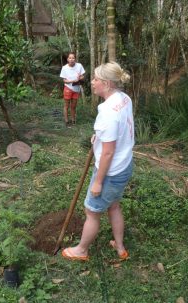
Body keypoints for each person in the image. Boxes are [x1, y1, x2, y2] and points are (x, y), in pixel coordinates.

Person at [62, 62, 134, 261]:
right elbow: (119, 131)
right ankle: (119, 247)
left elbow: (108, 153)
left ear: (107, 84)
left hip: (110, 172)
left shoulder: (108, 112)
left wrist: (98, 182)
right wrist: (100, 138)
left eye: (96, 79)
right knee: (114, 205)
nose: (92, 82)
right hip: (124, 166)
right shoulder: (124, 99)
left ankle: (81, 250)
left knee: (92, 211)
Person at [59, 52, 85, 127]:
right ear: (67, 59)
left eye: (73, 58)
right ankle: (67, 121)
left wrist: (80, 78)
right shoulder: (64, 68)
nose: (71, 59)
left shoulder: (79, 66)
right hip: (68, 88)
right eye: (70, 58)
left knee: (73, 106)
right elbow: (64, 80)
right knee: (66, 105)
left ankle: (73, 120)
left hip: (76, 88)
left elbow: (82, 76)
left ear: (75, 59)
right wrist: (72, 81)